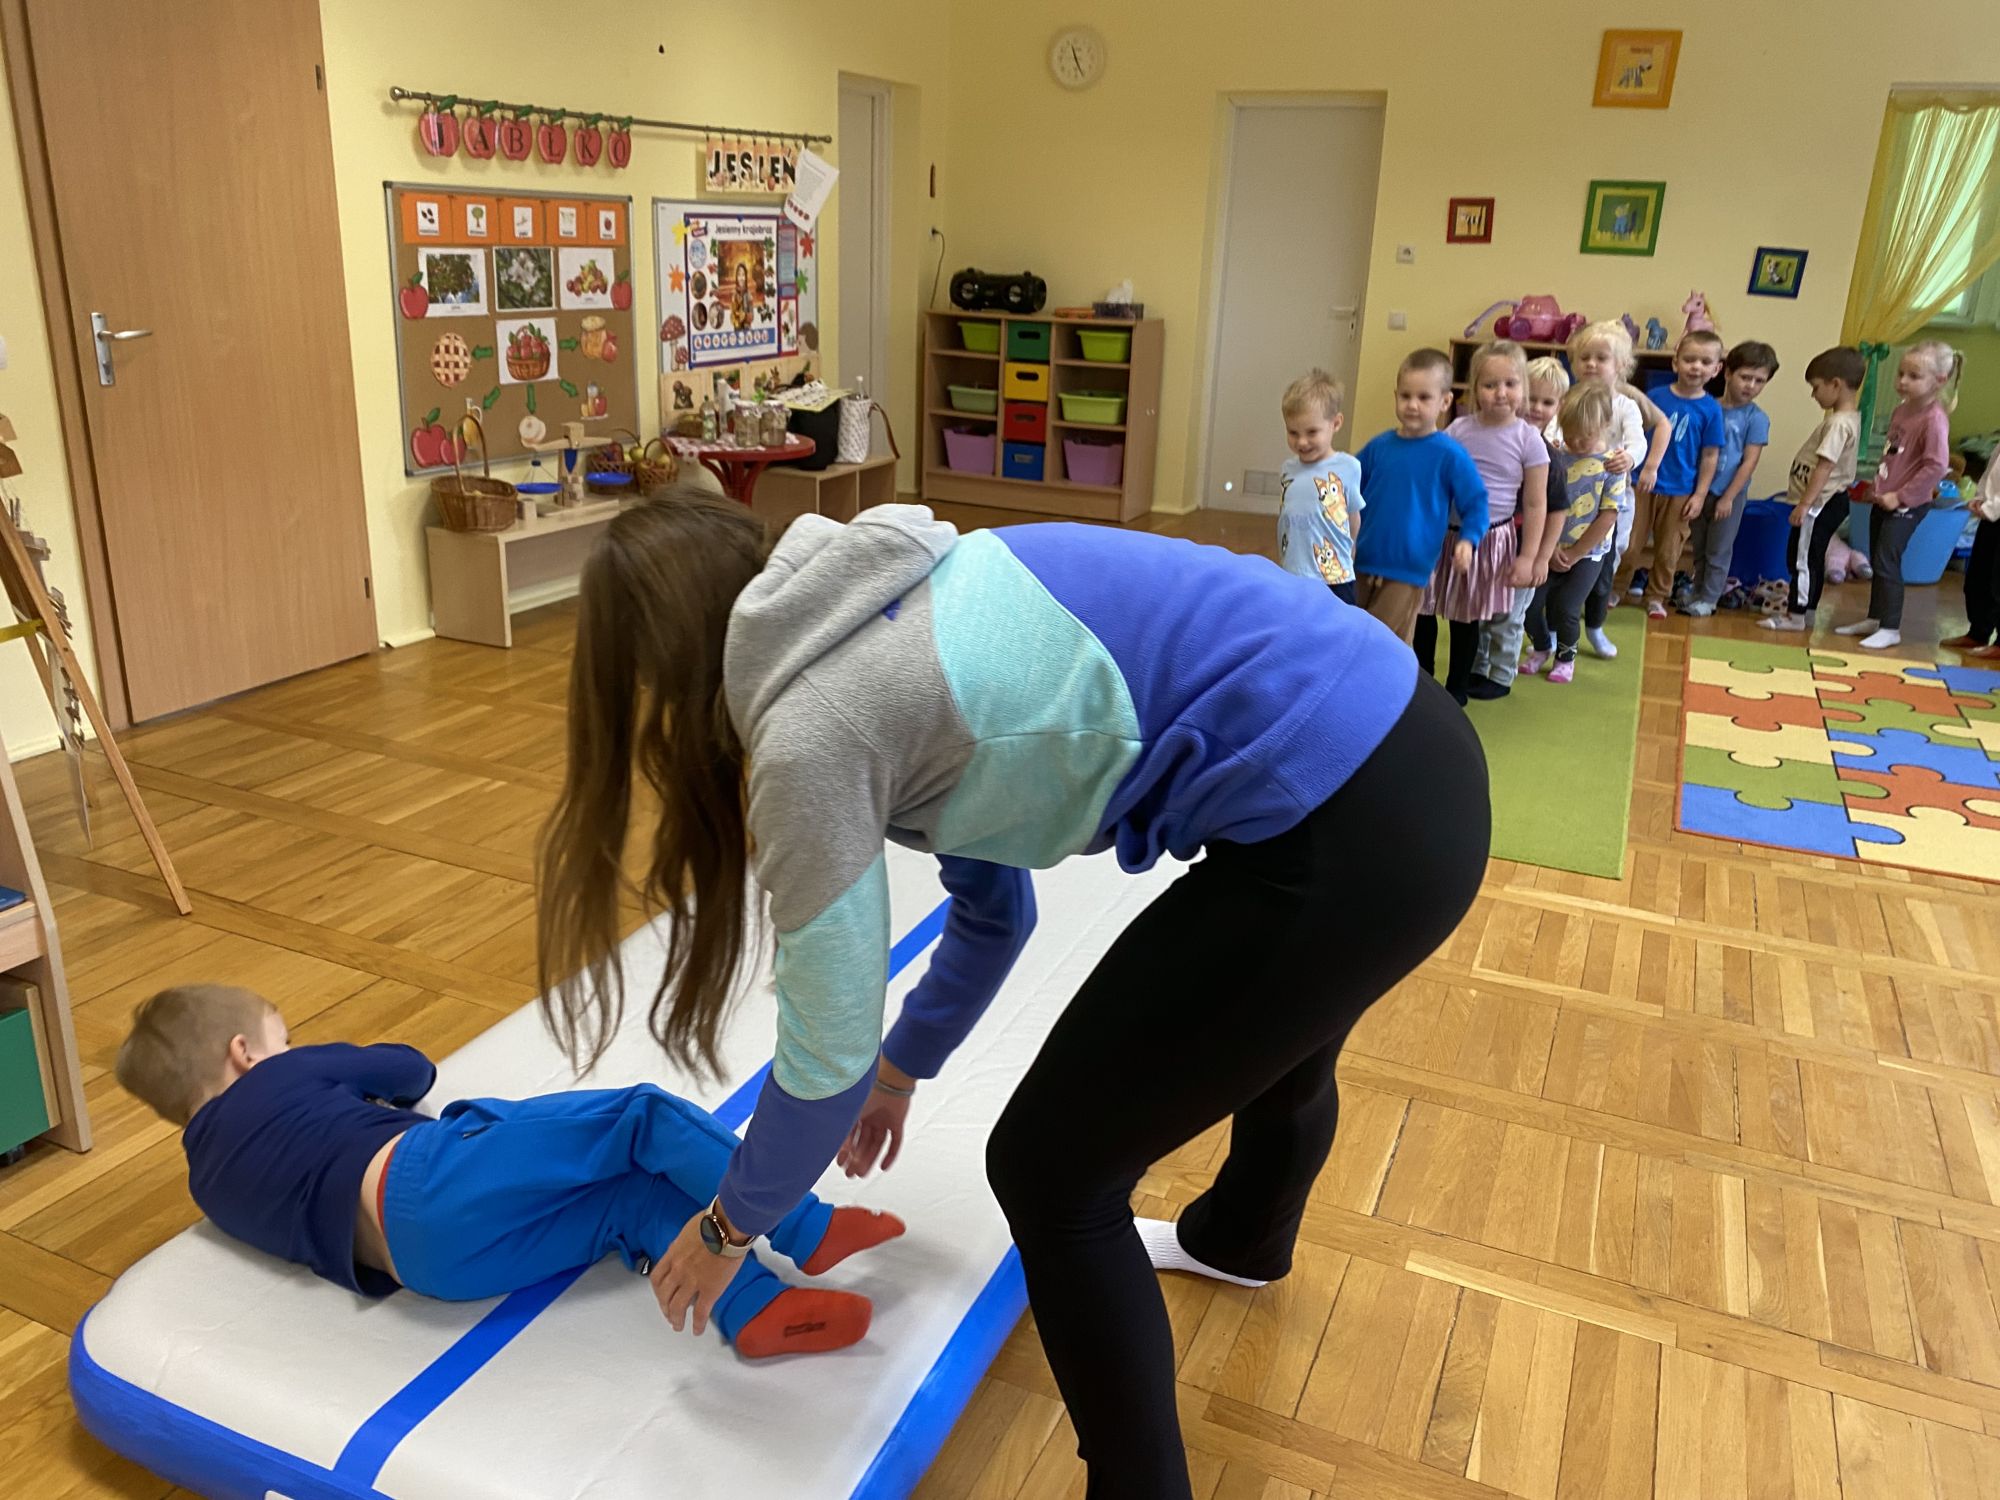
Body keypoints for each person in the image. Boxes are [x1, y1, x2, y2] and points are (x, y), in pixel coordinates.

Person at [535, 491, 1490, 1497]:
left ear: (655, 669)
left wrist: (725, 1228)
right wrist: (901, 1071)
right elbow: (993, 913)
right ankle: (1239, 1240)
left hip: (1352, 822)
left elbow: (823, 1062)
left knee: (1049, 1172)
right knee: (1277, 1014)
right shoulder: (879, 600)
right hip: (1407, 738)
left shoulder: (814, 727)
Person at [115, 984, 902, 1359]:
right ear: (245, 1055)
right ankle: (805, 1224)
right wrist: (327, 1069)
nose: (289, 1053)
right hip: (423, 1182)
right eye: (283, 1040)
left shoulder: (206, 1185)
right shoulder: (277, 1077)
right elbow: (411, 1070)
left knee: (628, 1204)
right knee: (639, 1120)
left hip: (430, 1271)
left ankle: (756, 1310)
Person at [1420, 340, 1546, 703]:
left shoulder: (1528, 439)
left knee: (1465, 616)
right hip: (1444, 535)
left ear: (1523, 387)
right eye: (1490, 385)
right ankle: (1422, 680)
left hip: (1489, 539)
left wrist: (1529, 557)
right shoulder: (1459, 429)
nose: (1500, 393)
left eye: (1510, 384)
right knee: (1424, 608)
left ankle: (1456, 689)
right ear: (1474, 389)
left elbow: (1536, 503)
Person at [1353, 348, 1489, 644]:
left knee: (1382, 641)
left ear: (1445, 401)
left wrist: (1468, 540)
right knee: (1352, 629)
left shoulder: (1449, 454)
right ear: (1396, 396)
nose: (1412, 405)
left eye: (1424, 397)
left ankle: (1392, 675)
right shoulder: (1379, 447)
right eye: (1405, 396)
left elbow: (1476, 502)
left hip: (1408, 567)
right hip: (1362, 559)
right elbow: (1346, 484)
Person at [1833, 340, 1957, 650]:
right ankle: (1876, 618)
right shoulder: (1902, 410)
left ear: (1939, 380)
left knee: (1888, 560)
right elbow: (1894, 454)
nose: (1902, 381)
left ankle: (1890, 627)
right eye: (1901, 373)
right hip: (1883, 498)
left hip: (1906, 505)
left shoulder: (1933, 419)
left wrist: (1900, 496)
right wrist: (1877, 486)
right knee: (1877, 557)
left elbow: (1935, 466)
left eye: (1913, 376)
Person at [1567, 320, 1671, 655]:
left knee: (1606, 559)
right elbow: (1554, 429)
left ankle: (1594, 622)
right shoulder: (1570, 399)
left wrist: (1634, 459)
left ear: (1621, 366)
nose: (1591, 364)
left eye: (1601, 358)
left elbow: (1639, 439)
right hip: (1573, 495)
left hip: (1613, 496)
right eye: (1584, 358)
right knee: (1566, 554)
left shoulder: (1626, 404)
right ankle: (1559, 621)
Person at [1468, 356, 1567, 698]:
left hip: (1523, 552)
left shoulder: (1550, 458)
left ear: (1559, 407)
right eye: (1532, 398)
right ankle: (1478, 666)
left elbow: (1556, 512)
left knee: (1508, 617)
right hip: (1486, 547)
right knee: (1480, 612)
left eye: (1547, 402)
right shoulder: (1493, 444)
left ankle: (1501, 674)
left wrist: (1541, 558)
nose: (1536, 408)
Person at [1521, 385, 1627, 684]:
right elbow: (1543, 503)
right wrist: (1550, 547)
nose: (1575, 442)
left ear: (1605, 424)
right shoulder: (1555, 455)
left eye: (1584, 435)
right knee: (1530, 605)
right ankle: (1542, 647)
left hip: (1588, 554)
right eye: (1569, 433)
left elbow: (1608, 516)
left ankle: (1565, 659)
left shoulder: (1612, 465)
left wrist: (1576, 553)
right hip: (1549, 547)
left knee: (1567, 608)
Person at [1615, 330, 1724, 617]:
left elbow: (1710, 455)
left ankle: (1656, 596)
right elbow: (1634, 434)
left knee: (1668, 549)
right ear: (1676, 363)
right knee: (1629, 543)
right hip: (1641, 483)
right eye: (1689, 360)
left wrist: (1699, 495)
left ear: (1716, 369)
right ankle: (1616, 587)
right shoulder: (1655, 397)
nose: (1696, 367)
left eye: (1705, 362)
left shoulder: (1711, 409)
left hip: (1681, 490)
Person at [1761, 347, 1865, 632]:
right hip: (1825, 501)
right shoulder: (1845, 419)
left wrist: (1805, 504)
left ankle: (1795, 616)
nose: (1813, 395)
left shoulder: (1838, 424)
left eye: (1816, 387)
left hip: (1820, 503)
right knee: (1809, 557)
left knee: (1802, 559)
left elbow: (1825, 467)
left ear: (1836, 384)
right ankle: (1805, 612)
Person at [1682, 341, 1777, 617]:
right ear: (1727, 373)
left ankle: (1710, 598)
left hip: (1729, 495)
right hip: (1700, 490)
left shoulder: (1756, 419)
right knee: (1699, 546)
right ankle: (1697, 591)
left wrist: (1728, 497)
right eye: (1745, 377)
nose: (1751, 386)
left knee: (1718, 549)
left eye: (1759, 381)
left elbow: (1749, 462)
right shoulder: (1708, 407)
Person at [1274, 369, 1364, 604]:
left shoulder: (1348, 467)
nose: (1302, 441)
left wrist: (1351, 551)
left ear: (1336, 423)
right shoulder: (1287, 470)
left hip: (1334, 576)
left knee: (1337, 624)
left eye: (1312, 432)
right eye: (1293, 433)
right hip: (1294, 572)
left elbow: (1353, 517)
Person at [1943, 453, 2000, 658]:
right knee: (1979, 575)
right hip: (1990, 516)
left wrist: (1991, 507)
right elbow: (1991, 473)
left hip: (1995, 512)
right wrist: (1980, 498)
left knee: (1997, 581)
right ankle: (1978, 632)